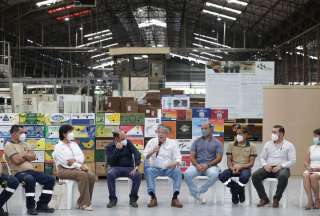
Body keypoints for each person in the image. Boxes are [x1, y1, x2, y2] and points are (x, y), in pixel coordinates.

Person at [4, 125, 55, 215]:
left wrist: (23, 155)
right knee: (29, 179)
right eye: (22, 132)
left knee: (50, 179)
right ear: (14, 133)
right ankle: (30, 207)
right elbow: (17, 161)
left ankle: (42, 205)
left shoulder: (26, 144)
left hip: (31, 171)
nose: (24, 134)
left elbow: (34, 157)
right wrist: (26, 154)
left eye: (25, 132)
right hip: (18, 173)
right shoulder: (9, 145)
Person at [53, 124, 96, 211]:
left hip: (76, 168)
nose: (72, 134)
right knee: (82, 175)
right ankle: (85, 204)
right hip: (63, 170)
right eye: (70, 132)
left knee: (91, 176)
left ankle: (81, 201)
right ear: (64, 134)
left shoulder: (74, 144)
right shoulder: (58, 146)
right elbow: (66, 162)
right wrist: (79, 165)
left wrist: (75, 160)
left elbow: (81, 157)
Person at [252, 125, 296, 208]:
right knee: (255, 176)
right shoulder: (268, 144)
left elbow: (292, 160)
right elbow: (262, 157)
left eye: (275, 132)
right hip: (268, 167)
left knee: (283, 176)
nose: (272, 134)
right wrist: (265, 165)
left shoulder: (289, 145)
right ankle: (264, 199)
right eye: (272, 132)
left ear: (282, 133)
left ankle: (276, 199)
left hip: (282, 169)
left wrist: (281, 166)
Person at [143, 125, 183, 208]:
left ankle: (175, 198)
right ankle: (153, 197)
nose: (160, 134)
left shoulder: (173, 143)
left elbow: (178, 158)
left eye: (163, 133)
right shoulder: (152, 142)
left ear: (166, 134)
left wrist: (174, 163)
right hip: (155, 168)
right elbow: (145, 156)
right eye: (159, 132)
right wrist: (153, 151)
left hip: (168, 168)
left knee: (178, 172)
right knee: (148, 171)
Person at [184, 123, 223, 204]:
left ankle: (199, 191)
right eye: (202, 129)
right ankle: (196, 193)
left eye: (205, 128)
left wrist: (208, 165)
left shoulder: (217, 143)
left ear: (211, 129)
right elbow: (191, 156)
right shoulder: (196, 142)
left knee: (214, 174)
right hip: (197, 165)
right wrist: (197, 165)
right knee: (187, 174)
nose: (203, 130)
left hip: (211, 166)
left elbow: (219, 158)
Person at [219, 125, 257, 204]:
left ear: (246, 135)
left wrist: (240, 166)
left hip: (245, 168)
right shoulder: (231, 144)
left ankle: (235, 193)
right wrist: (232, 168)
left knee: (245, 177)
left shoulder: (252, 146)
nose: (238, 136)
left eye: (240, 134)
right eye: (237, 134)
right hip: (233, 167)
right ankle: (236, 189)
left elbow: (251, 163)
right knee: (222, 176)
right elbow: (229, 160)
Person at [105, 130, 141, 208]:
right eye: (122, 139)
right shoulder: (109, 147)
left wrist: (136, 166)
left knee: (137, 175)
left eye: (125, 138)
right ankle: (113, 199)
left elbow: (137, 153)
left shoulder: (128, 143)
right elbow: (111, 162)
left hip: (129, 168)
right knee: (110, 174)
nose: (124, 140)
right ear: (116, 138)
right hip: (116, 168)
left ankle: (133, 199)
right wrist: (116, 150)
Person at [303, 128, 320, 210]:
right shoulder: (311, 148)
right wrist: (308, 167)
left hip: (319, 170)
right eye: (314, 136)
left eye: (316, 136)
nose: (314, 138)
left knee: (313, 177)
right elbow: (306, 161)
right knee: (306, 174)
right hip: (312, 169)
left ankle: (317, 200)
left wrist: (317, 169)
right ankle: (310, 200)